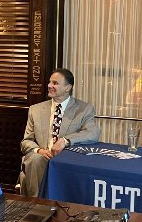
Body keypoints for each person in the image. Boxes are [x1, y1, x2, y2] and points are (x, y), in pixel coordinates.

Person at [19, 68, 99, 197]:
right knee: (35, 159)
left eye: (55, 83)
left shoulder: (84, 109)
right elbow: (26, 142)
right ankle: (37, 203)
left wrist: (65, 140)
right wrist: (39, 150)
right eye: (50, 82)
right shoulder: (35, 110)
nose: (49, 85)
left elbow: (92, 133)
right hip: (42, 158)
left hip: (67, 159)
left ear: (68, 87)